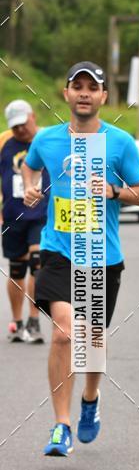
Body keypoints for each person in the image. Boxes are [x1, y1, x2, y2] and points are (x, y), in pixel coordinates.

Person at [22, 61, 139, 457]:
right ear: (65, 94)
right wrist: (29, 188)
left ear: (103, 97)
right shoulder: (46, 139)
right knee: (64, 332)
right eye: (76, 86)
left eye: (91, 88)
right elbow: (29, 167)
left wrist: (112, 191)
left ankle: (90, 400)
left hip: (102, 255)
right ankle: (61, 425)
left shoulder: (121, 142)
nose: (83, 93)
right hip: (58, 250)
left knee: (92, 341)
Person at [1, 100, 48, 343]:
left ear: (32, 116)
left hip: (41, 214)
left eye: (23, 123)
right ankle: (18, 322)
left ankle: (34, 320)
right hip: (12, 215)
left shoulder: (46, 140)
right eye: (15, 126)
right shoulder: (4, 144)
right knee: (16, 270)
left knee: (38, 263)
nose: (20, 130)